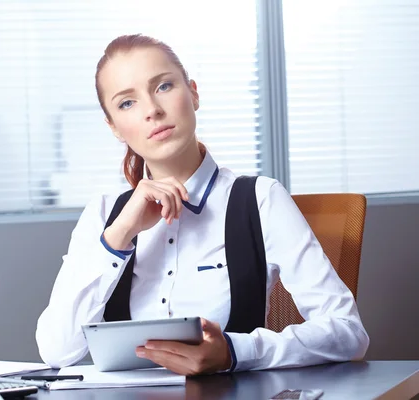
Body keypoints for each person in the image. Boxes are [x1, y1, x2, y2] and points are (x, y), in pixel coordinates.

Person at [35, 34, 369, 375]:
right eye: (127, 103)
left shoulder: (259, 199)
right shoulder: (104, 214)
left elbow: (348, 332)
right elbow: (58, 352)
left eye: (163, 86)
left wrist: (236, 351)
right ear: (114, 127)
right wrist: (119, 235)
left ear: (193, 92)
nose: (152, 110)